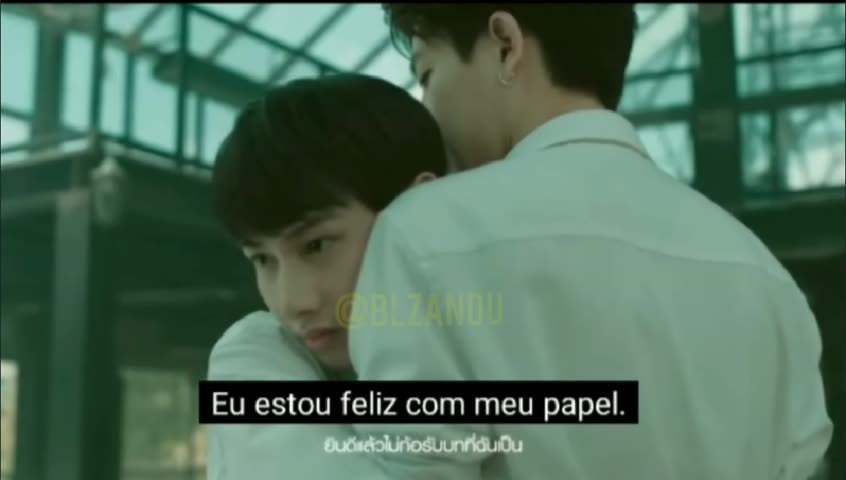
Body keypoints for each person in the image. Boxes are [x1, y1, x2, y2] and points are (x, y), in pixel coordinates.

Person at [340, 3, 832, 480]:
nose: (429, 109)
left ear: (506, 44)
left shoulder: (424, 233)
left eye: (427, 75)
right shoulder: (766, 276)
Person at [205, 73, 445, 479]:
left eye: (316, 245)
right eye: (262, 259)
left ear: (421, 207)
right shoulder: (257, 358)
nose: (292, 301)